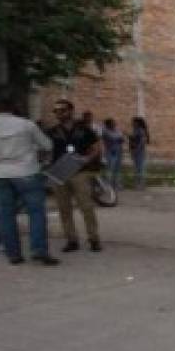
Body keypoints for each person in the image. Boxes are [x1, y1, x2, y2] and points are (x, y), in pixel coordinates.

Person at [0, 95, 58, 265]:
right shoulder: (27, 124)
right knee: (36, 212)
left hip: (0, 174)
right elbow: (48, 145)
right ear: (13, 108)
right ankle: (38, 250)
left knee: (5, 215)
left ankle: (13, 254)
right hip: (27, 172)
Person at [47, 99, 103, 253]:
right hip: (60, 172)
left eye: (62, 110)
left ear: (71, 111)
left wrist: (87, 158)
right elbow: (45, 150)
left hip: (80, 172)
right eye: (56, 111)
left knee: (86, 207)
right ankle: (71, 240)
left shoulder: (84, 129)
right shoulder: (52, 131)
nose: (59, 113)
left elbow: (97, 146)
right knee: (64, 208)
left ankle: (94, 239)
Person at [101, 118, 125, 191]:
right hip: (110, 152)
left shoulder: (117, 130)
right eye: (112, 123)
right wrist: (119, 137)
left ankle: (116, 185)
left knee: (117, 169)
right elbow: (113, 138)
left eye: (114, 123)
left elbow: (122, 139)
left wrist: (119, 138)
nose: (114, 124)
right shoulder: (105, 131)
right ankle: (107, 185)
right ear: (108, 124)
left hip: (118, 152)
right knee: (109, 169)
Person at [128, 116, 150, 190]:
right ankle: (138, 184)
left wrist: (137, 149)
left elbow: (142, 141)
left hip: (139, 152)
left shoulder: (140, 130)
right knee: (137, 168)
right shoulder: (135, 130)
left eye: (133, 122)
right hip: (136, 152)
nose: (132, 123)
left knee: (140, 168)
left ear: (137, 123)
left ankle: (141, 185)